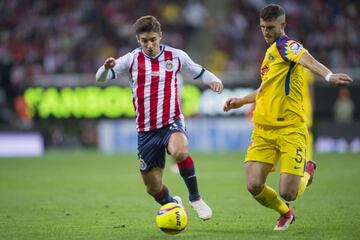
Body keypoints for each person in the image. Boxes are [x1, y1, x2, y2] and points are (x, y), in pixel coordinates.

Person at [223, 4, 352, 230]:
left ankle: (307, 173)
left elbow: (308, 60)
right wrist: (241, 101)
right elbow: (265, 89)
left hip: (290, 129)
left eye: (270, 27)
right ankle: (285, 213)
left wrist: (329, 75)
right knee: (253, 185)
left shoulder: (288, 46)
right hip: (263, 129)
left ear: (283, 25)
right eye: (262, 27)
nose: (266, 32)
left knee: (288, 192)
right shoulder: (270, 52)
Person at [96, 15, 223, 220]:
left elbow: (197, 70)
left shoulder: (176, 56)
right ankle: (172, 203)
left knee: (180, 152)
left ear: (160, 36)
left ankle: (195, 198)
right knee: (153, 187)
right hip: (146, 131)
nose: (149, 44)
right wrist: (106, 68)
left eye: (153, 39)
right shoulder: (130, 59)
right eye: (145, 40)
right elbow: (100, 78)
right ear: (138, 39)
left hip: (171, 121)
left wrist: (214, 80)